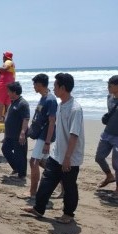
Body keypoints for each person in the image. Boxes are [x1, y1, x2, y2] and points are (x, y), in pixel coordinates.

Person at [23, 73, 84, 224]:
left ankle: (68, 214)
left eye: (56, 86)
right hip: (57, 154)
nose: (54, 88)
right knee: (46, 182)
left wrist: (67, 158)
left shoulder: (75, 109)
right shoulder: (60, 104)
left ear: (63, 88)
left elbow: (74, 135)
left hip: (70, 157)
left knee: (69, 187)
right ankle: (38, 208)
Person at [18, 74, 57, 199]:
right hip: (41, 134)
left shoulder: (50, 100)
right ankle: (62, 183)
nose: (33, 87)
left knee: (33, 161)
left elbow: (52, 122)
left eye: (34, 84)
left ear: (40, 85)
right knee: (43, 162)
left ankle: (33, 193)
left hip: (45, 136)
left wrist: (47, 142)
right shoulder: (43, 98)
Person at [95, 75, 118, 198]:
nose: (108, 87)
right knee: (99, 157)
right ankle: (109, 176)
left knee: (117, 164)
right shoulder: (109, 97)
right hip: (107, 133)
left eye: (110, 85)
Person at [1, 82, 30, 180]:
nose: (7, 93)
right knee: (5, 149)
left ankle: (22, 175)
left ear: (14, 92)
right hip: (9, 135)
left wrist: (22, 133)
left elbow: (26, 119)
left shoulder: (23, 103)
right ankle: (16, 168)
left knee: (20, 155)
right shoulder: (12, 102)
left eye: (9, 91)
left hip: (18, 135)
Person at [0, 51, 16, 122]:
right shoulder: (12, 64)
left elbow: (5, 68)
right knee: (7, 102)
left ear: (5, 57)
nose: (2, 58)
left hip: (4, 83)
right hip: (10, 83)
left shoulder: (8, 62)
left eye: (3, 56)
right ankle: (6, 118)